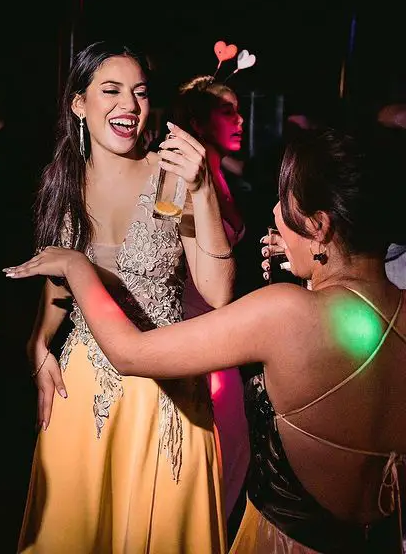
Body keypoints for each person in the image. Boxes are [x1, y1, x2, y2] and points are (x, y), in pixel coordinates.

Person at [7, 124, 406, 553]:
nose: (275, 212)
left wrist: (77, 266)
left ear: (320, 225)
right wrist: (314, 266)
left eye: (284, 201)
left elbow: (129, 353)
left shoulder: (285, 311)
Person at [17, 40, 235, 553]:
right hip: (81, 391)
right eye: (111, 91)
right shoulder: (63, 181)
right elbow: (59, 280)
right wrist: (38, 345)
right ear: (79, 104)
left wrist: (202, 190)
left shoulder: (170, 179)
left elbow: (219, 292)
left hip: (164, 393)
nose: (129, 106)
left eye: (139, 92)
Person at [172, 76, 250, 533]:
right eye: (227, 111)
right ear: (198, 123)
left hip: (227, 334)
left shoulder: (227, 176)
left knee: (232, 451)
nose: (240, 120)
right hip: (194, 332)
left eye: (238, 110)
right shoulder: (180, 183)